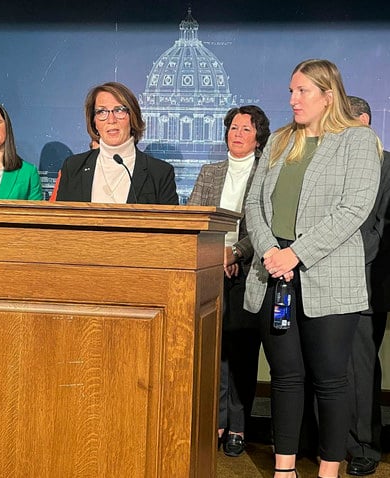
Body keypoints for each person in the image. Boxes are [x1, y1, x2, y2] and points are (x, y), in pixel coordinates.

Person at [243, 59, 382, 478]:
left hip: (326, 271)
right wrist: (271, 251)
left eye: (302, 91)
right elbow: (254, 203)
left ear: (328, 94)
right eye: (290, 91)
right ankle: (283, 469)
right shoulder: (281, 140)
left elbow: (354, 209)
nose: (292, 99)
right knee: (285, 377)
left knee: (331, 381)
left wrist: (296, 254)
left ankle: (328, 469)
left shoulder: (357, 140)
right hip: (274, 271)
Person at [188, 105, 270, 457]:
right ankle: (214, 421)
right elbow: (194, 216)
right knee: (213, 352)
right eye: (233, 127)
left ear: (258, 137)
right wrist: (215, 255)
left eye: (245, 129)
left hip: (250, 271)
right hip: (210, 271)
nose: (237, 134)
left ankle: (238, 424)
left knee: (241, 354)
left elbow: (265, 226)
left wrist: (235, 253)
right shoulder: (210, 172)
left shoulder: (267, 173)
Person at [345, 96, 390, 477]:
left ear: (365, 121)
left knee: (360, 367)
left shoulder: (387, 163)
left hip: (367, 283)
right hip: (327, 280)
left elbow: (380, 229)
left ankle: (365, 446)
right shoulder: (334, 163)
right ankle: (332, 440)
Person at [53, 82, 179, 205]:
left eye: (119, 110)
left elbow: (169, 224)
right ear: (94, 121)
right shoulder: (73, 167)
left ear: (132, 117)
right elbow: (60, 221)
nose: (111, 120)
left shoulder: (159, 173)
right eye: (102, 112)